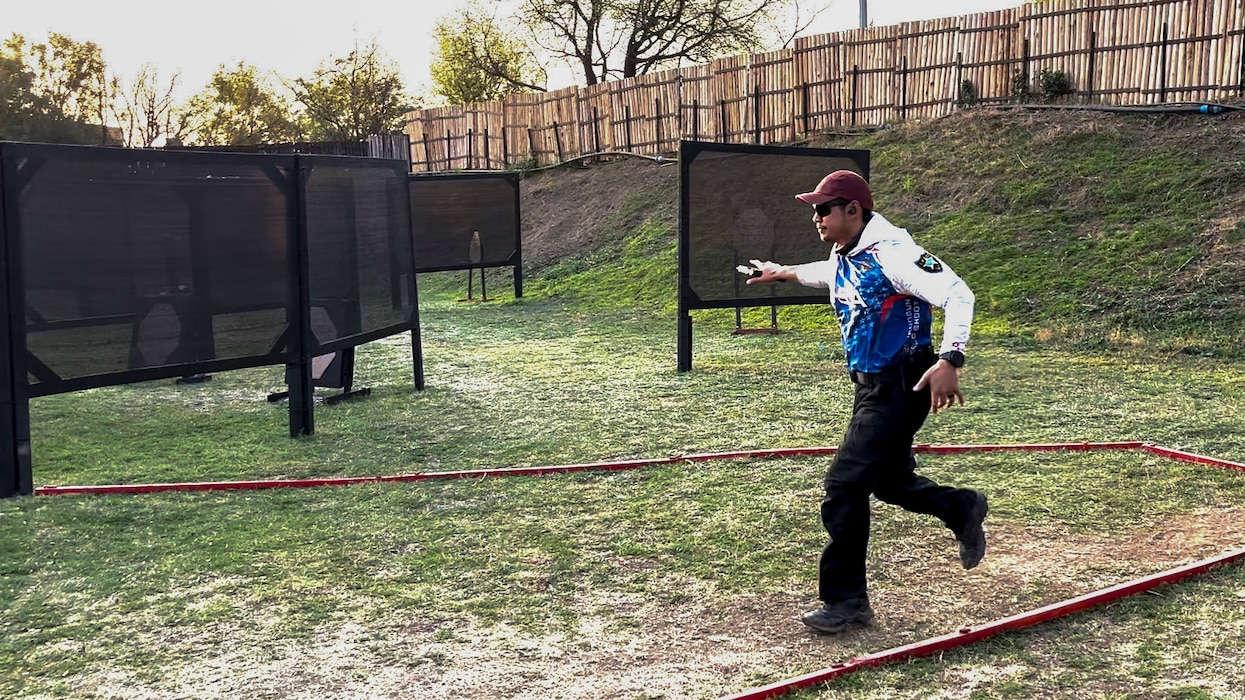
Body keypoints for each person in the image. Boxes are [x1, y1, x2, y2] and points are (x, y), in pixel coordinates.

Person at [745, 170, 987, 635]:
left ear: (852, 210)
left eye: (823, 209)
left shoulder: (895, 254)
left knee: (844, 485)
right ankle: (961, 508)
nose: (816, 217)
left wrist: (950, 359)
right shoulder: (846, 252)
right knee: (890, 481)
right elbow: (826, 273)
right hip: (871, 388)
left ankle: (846, 601)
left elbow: (959, 295)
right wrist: (783, 272)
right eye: (815, 209)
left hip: (901, 385)